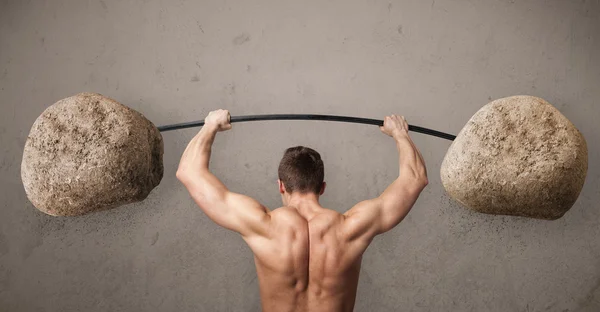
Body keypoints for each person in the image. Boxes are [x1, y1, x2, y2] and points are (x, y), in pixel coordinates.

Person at [177, 109, 428, 312]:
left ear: (281, 186)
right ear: (323, 187)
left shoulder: (262, 225)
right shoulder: (350, 228)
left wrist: (210, 126)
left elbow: (189, 172)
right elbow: (414, 179)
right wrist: (400, 134)